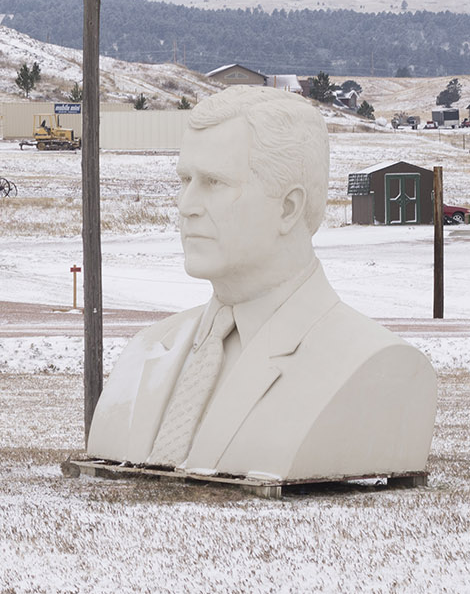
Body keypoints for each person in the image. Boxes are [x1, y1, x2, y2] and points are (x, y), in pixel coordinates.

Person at [86, 86, 435, 480]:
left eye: (214, 182)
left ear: (288, 207)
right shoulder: (146, 349)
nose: (186, 206)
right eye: (185, 179)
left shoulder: (379, 367)